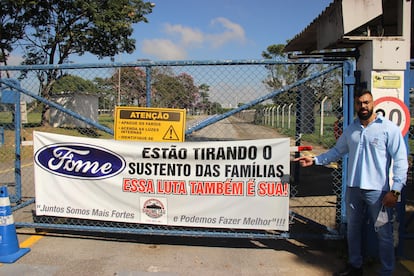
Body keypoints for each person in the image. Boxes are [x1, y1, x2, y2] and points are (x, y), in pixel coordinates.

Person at [294, 90, 408, 276]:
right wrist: (315, 160)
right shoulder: (351, 129)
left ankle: (387, 271)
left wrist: (395, 190)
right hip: (353, 189)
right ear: (355, 105)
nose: (363, 106)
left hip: (379, 192)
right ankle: (356, 267)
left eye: (366, 102)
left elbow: (401, 162)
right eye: (359, 103)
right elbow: (336, 152)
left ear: (372, 103)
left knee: (384, 234)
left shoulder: (388, 129)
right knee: (352, 231)